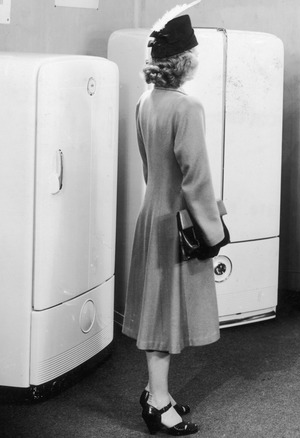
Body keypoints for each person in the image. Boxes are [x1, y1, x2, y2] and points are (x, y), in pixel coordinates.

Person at [121, 11, 226, 436]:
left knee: (157, 311)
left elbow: (152, 170)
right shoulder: (187, 107)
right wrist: (213, 227)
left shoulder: (145, 102)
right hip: (178, 223)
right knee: (165, 319)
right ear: (185, 61)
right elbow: (195, 176)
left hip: (153, 216)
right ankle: (159, 405)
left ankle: (153, 392)